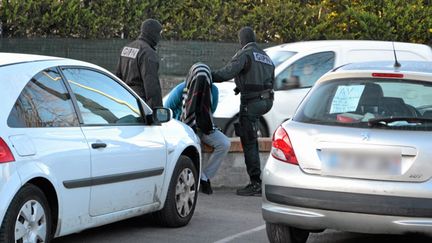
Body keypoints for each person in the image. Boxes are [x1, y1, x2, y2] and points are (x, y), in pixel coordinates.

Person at [211, 27, 275, 196]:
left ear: (241, 40)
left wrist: (208, 75)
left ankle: (255, 182)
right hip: (267, 101)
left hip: (251, 102)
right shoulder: (266, 57)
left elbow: (226, 73)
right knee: (250, 133)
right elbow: (268, 79)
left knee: (249, 139)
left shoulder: (245, 54)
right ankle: (257, 180)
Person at [165, 63, 230, 195]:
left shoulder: (213, 91)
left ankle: (204, 177)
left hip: (205, 126)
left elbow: (211, 110)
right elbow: (168, 107)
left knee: (224, 143)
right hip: (184, 127)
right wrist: (186, 117)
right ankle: (187, 179)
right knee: (194, 146)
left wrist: (200, 118)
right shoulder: (181, 89)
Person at [115, 18, 163, 109]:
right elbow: (152, 87)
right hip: (140, 104)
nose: (160, 37)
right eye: (159, 33)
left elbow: (118, 77)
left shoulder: (126, 48)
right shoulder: (148, 53)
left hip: (125, 101)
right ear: (152, 33)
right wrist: (157, 112)